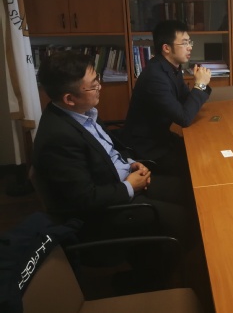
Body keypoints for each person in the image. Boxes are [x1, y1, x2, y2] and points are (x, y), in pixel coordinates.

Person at [32, 51, 197, 246]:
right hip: (108, 210)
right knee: (189, 220)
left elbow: (110, 148)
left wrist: (131, 162)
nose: (99, 87)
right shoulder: (58, 138)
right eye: (93, 85)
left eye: (97, 79)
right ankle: (161, 262)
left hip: (123, 179)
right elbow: (85, 199)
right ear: (69, 98)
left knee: (191, 191)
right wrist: (130, 186)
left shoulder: (83, 112)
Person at [123, 20, 212, 171]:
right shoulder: (155, 76)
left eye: (189, 42)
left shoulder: (171, 67)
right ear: (166, 48)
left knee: (204, 146)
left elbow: (185, 101)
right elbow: (184, 118)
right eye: (184, 43)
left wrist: (200, 85)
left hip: (162, 138)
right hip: (148, 148)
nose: (190, 47)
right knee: (199, 163)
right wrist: (200, 85)